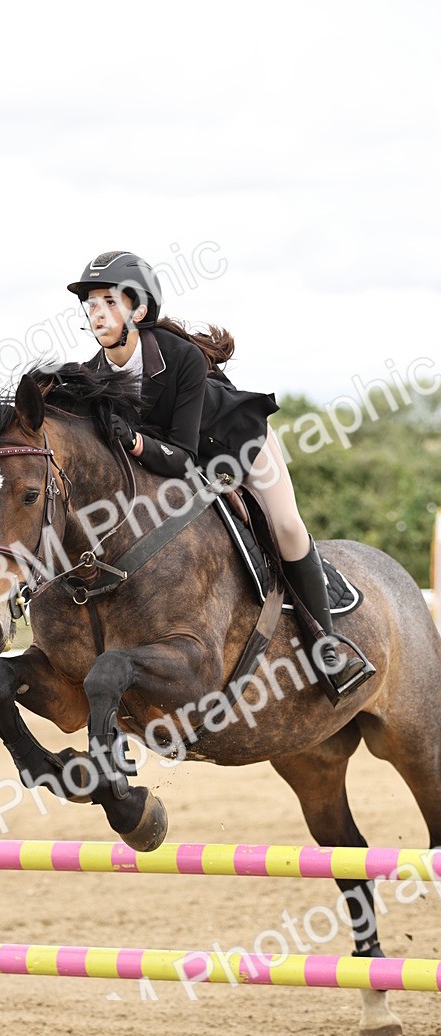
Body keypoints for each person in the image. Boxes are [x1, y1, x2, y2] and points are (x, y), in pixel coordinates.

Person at [66, 249, 375, 704]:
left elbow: (183, 453)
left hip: (236, 446)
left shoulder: (182, 358)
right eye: (91, 303)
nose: (97, 312)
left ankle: (326, 645)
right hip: (171, 463)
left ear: (141, 309)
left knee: (285, 526)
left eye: (110, 301)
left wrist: (133, 443)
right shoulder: (92, 375)